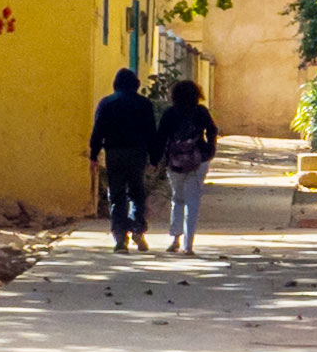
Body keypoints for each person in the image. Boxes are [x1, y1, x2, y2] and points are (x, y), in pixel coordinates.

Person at [152, 70, 220, 257]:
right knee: (193, 201)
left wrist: (155, 159)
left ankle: (175, 239)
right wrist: (210, 150)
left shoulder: (170, 113)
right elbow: (212, 130)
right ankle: (189, 245)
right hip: (199, 160)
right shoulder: (201, 112)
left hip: (175, 162)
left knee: (177, 198)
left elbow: (161, 137)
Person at [87, 66, 157, 249]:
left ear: (115, 84)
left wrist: (93, 155)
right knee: (137, 192)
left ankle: (120, 238)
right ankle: (138, 230)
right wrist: (155, 157)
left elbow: (97, 132)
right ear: (136, 84)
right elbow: (151, 132)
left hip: (115, 154)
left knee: (117, 194)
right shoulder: (144, 104)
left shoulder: (107, 103)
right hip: (137, 153)